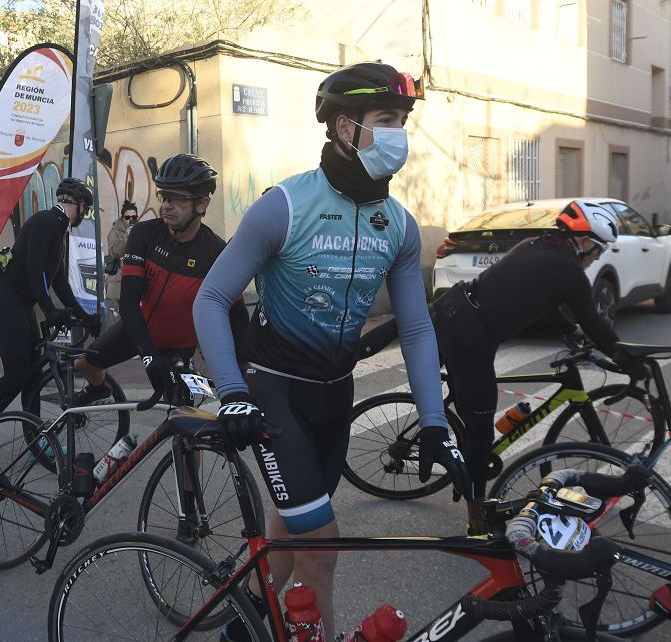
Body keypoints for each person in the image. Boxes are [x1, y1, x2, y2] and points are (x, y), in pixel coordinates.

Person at [193, 63, 472, 639]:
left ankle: (243, 619)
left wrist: (435, 423)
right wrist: (233, 393)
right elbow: (213, 298)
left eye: (402, 122)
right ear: (346, 127)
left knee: (289, 527)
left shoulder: (396, 223)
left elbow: (416, 329)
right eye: (387, 121)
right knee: (321, 549)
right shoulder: (285, 206)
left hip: (332, 395)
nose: (400, 135)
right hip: (274, 389)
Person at [424, 199, 644, 533]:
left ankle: (464, 458)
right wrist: (626, 358)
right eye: (599, 250)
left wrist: (568, 330)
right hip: (469, 338)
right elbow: (595, 323)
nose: (598, 257)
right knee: (481, 429)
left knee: (471, 411)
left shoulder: (536, 247)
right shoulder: (567, 269)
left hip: (452, 314)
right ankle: (475, 517)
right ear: (584, 242)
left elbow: (545, 298)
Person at [72, 155, 249, 407]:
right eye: (164, 196)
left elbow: (237, 314)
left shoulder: (215, 252)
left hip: (179, 349)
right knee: (83, 364)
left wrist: (243, 365)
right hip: (136, 331)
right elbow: (129, 303)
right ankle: (99, 390)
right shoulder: (145, 234)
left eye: (178, 198)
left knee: (184, 422)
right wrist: (148, 356)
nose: (167, 205)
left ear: (202, 204)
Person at [0, 178, 100, 457]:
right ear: (79, 205)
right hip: (7, 306)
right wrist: (50, 310)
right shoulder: (46, 221)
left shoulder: (58, 228)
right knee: (17, 375)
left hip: (21, 306)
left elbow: (59, 281)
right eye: (85, 209)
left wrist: (85, 316)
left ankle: (36, 440)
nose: (84, 215)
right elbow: (34, 266)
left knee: (31, 376)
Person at [103, 199, 138, 306]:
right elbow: (113, 253)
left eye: (134, 217)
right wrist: (126, 237)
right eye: (128, 217)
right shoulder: (114, 232)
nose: (130, 220)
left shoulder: (140, 231)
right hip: (119, 279)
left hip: (134, 277)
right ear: (122, 218)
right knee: (119, 313)